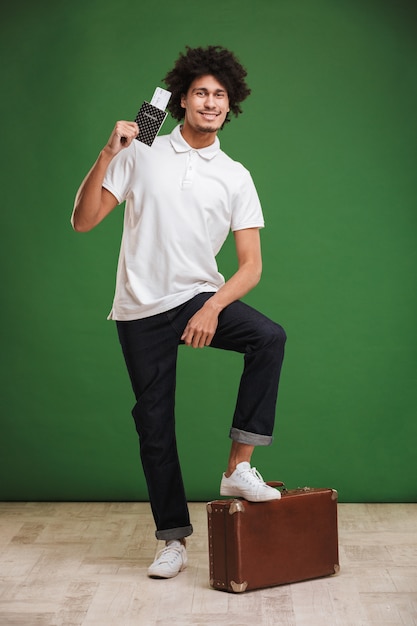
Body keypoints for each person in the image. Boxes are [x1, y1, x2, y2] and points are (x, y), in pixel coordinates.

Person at [71, 45, 286, 579]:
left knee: (269, 337)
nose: (210, 102)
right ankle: (172, 540)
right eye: (200, 93)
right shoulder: (141, 152)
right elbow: (83, 220)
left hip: (196, 296)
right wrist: (108, 151)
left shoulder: (235, 175)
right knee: (154, 425)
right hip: (139, 307)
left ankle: (240, 469)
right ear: (182, 99)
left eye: (219, 94)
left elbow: (251, 266)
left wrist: (212, 307)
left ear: (229, 104)